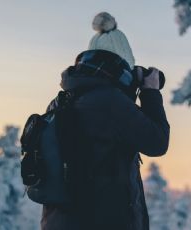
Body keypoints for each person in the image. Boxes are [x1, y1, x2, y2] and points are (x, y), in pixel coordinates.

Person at [40, 12, 170, 230]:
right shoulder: (111, 103)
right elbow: (157, 142)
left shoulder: (61, 101)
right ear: (123, 66)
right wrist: (150, 93)